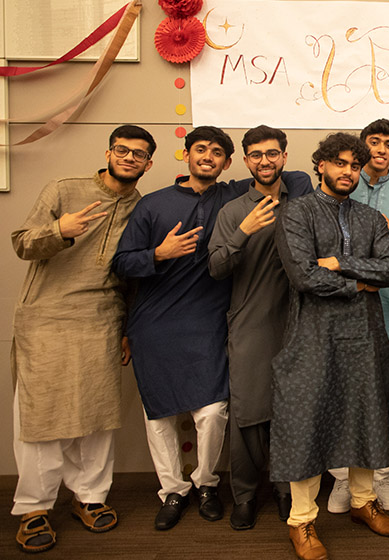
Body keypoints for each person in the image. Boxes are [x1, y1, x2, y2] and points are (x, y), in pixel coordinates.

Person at [10, 125, 155, 553]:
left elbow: (133, 277)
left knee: (97, 416)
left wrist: (128, 327)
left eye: (139, 154)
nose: (129, 158)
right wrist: (60, 228)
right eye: (123, 150)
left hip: (102, 320)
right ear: (109, 152)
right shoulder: (64, 190)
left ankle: (90, 498)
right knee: (43, 419)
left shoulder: (143, 210)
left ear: (149, 163)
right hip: (47, 319)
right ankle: (34, 507)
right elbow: (22, 244)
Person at [270, 132, 389, 560]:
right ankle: (302, 521)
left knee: (365, 414)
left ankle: (363, 502)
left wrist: (343, 263)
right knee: (305, 421)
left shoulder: (368, 217)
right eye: (339, 164)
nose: (348, 172)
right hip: (313, 335)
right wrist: (359, 282)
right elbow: (304, 277)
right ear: (322, 165)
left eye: (354, 165)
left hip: (365, 337)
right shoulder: (296, 212)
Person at [112, 126, 240, 531]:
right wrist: (158, 253)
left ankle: (205, 483)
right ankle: (172, 490)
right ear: (185, 154)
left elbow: (291, 177)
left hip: (208, 321)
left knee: (214, 410)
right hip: (155, 324)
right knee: (159, 416)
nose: (208, 156)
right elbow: (121, 263)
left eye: (217, 152)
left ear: (227, 162)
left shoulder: (234, 196)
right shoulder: (152, 205)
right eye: (200, 149)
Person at [208, 125, 312, 530]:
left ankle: (288, 491)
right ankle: (246, 495)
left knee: (290, 413)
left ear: (285, 157)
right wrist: (244, 231)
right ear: (246, 161)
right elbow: (216, 267)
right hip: (250, 323)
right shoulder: (233, 210)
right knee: (248, 414)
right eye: (256, 155)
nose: (265, 161)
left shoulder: (302, 202)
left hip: (298, 323)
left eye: (273, 153)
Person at [327, 118, 389, 514]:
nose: (381, 150)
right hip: (344, 294)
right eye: (374, 142)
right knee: (341, 381)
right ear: (362, 147)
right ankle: (342, 479)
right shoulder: (342, 185)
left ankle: (384, 474)